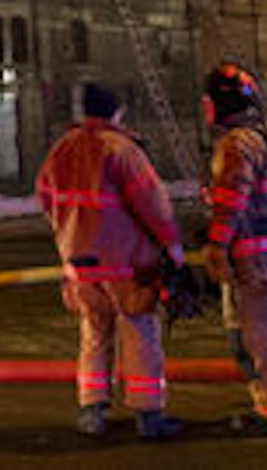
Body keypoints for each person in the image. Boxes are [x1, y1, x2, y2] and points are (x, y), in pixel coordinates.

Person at [36, 83, 185, 441]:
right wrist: (171, 246)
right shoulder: (121, 149)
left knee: (94, 333)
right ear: (116, 113)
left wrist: (68, 233)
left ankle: (92, 410)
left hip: (79, 262)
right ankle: (148, 413)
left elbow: (46, 198)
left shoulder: (61, 149)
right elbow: (151, 203)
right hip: (125, 261)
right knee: (139, 332)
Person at [202, 61, 267, 433]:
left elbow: (231, 199)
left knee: (261, 336)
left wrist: (216, 245)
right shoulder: (263, 138)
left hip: (254, 255)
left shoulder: (237, 144)